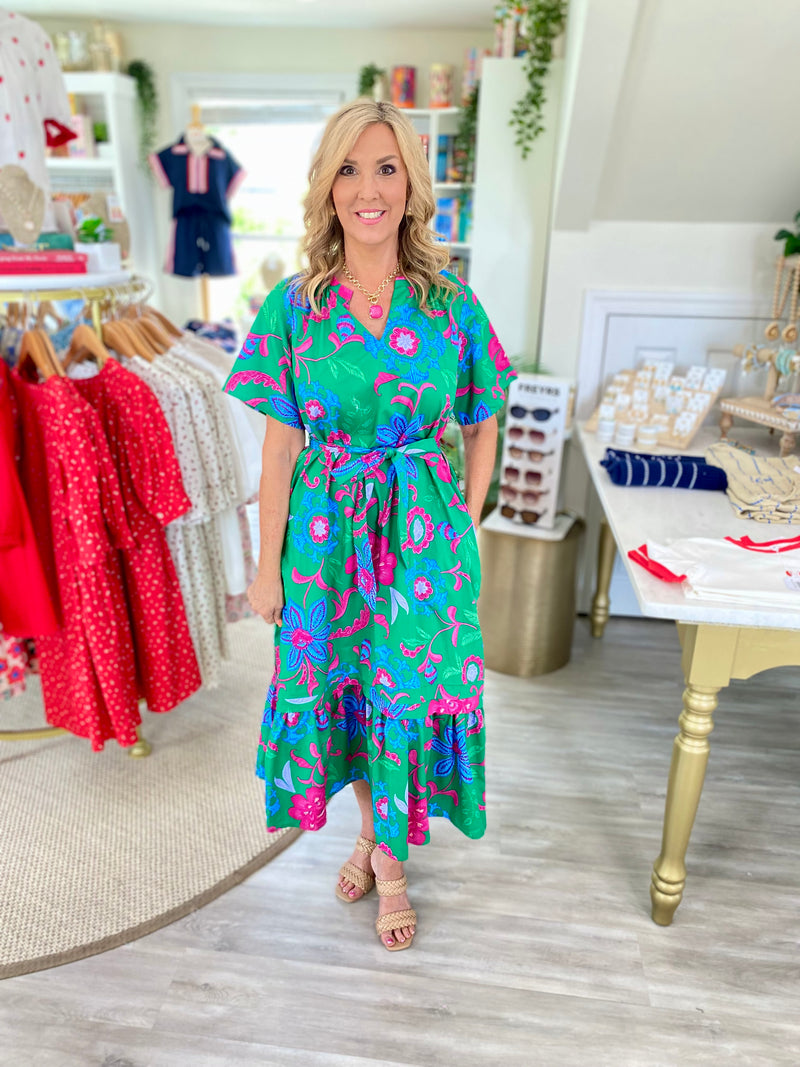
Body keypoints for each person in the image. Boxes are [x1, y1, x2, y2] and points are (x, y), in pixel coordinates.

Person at [223, 98, 515, 951]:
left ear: (411, 184)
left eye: (386, 168)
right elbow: (279, 450)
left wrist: (465, 513)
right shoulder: (293, 307)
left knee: (405, 697)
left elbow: (484, 416)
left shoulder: (452, 305)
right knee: (345, 696)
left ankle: (381, 853)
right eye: (348, 170)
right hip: (325, 545)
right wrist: (266, 567)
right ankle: (382, 850)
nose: (368, 189)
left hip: (425, 542)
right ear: (327, 187)